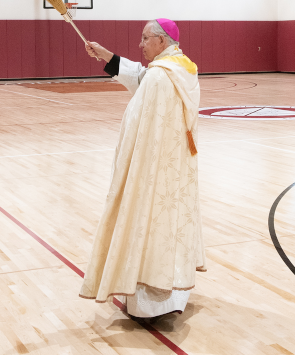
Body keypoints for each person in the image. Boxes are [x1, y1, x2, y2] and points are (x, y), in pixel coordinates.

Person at [79, 19, 206, 321]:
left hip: (152, 167)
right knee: (170, 224)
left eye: (145, 38)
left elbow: (141, 112)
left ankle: (150, 303)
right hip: (175, 167)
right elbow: (141, 77)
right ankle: (174, 294)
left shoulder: (161, 77)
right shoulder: (181, 67)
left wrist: (128, 163)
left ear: (162, 41)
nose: (141, 44)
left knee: (147, 224)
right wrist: (106, 55)